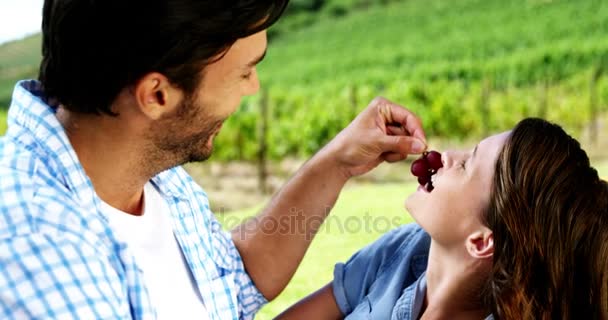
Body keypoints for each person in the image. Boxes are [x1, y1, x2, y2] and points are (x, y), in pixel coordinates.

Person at [0, 1, 429, 319]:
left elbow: (232, 277)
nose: (253, 88)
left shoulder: (147, 172)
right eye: (244, 72)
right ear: (158, 96)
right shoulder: (37, 250)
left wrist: (338, 162)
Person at [276, 117, 608, 320]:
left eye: (466, 165)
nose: (448, 156)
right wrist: (339, 160)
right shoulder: (402, 251)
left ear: (481, 241)